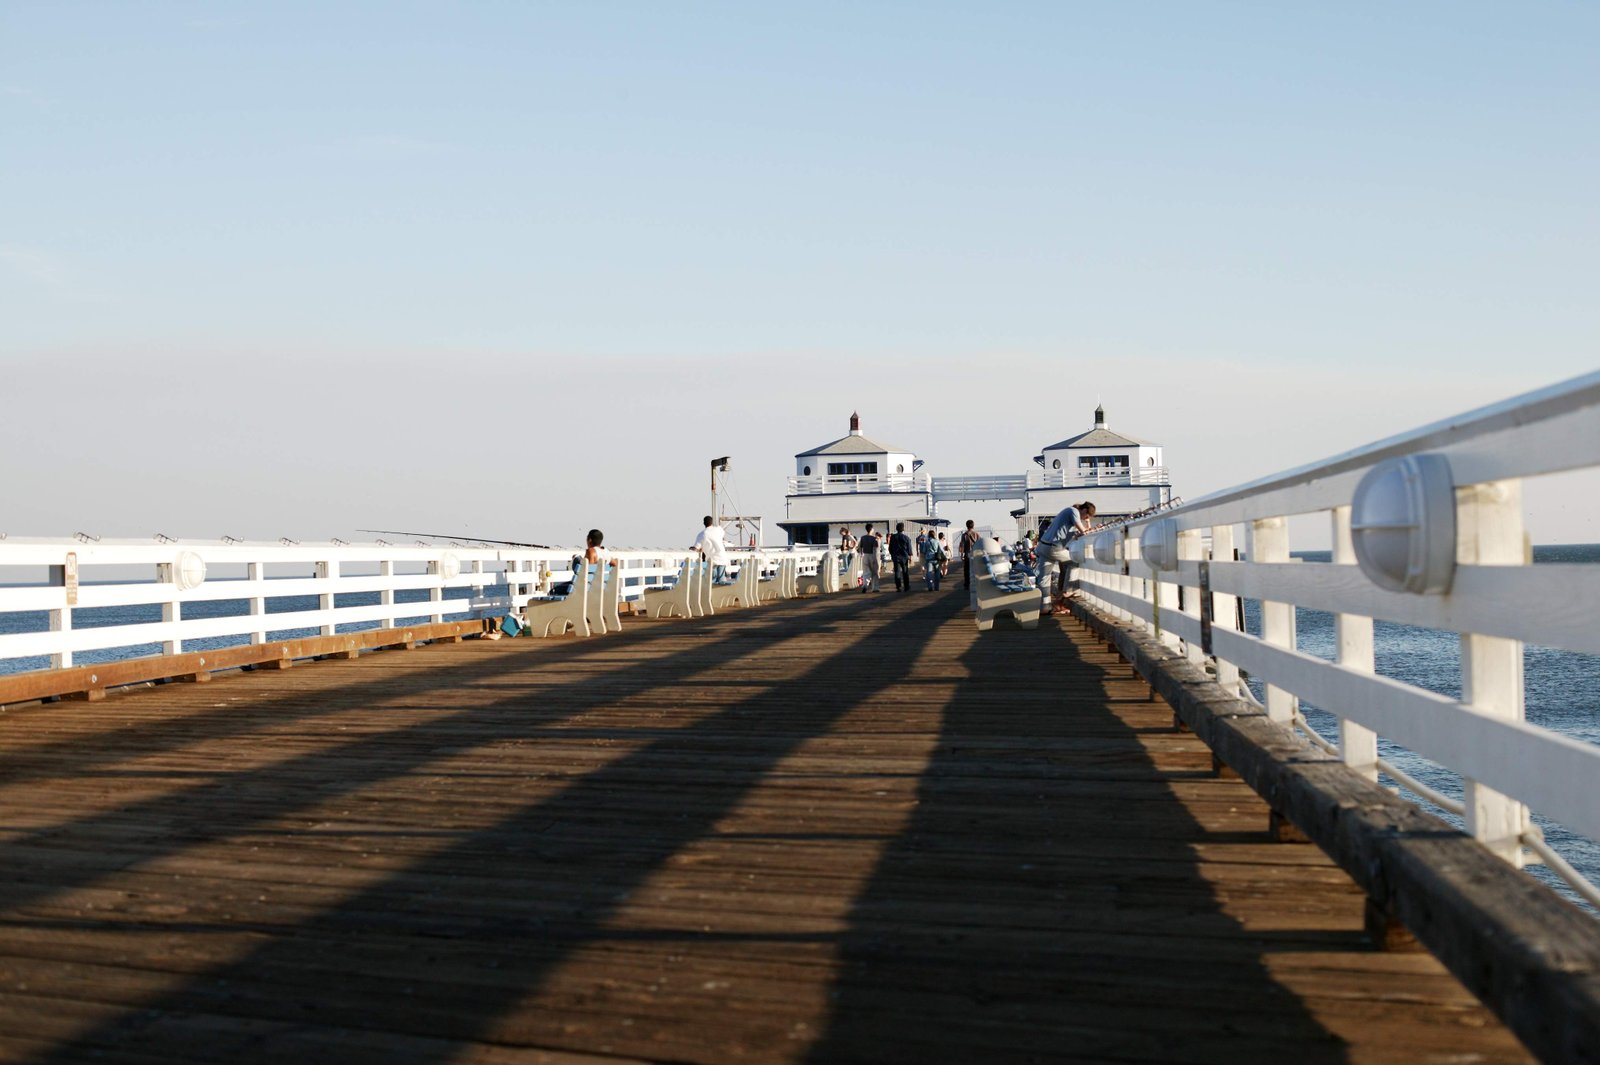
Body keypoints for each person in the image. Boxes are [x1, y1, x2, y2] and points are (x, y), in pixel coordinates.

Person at [1038, 502, 1096, 612]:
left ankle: (1044, 607)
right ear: (1084, 511)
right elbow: (1083, 531)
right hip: (1053, 548)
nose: (1084, 519)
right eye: (1086, 517)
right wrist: (1088, 523)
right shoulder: (1072, 511)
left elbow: (1079, 533)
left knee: (1044, 579)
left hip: (1044, 546)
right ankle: (1067, 590)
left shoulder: (1066, 517)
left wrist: (1087, 524)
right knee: (1073, 562)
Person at [691, 515, 728, 582]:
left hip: (712, 562)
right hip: (722, 559)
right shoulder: (719, 529)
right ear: (712, 522)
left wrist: (693, 548)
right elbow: (722, 533)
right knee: (721, 581)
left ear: (704, 523)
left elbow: (696, 548)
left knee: (711, 582)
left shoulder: (702, 534)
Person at [889, 522, 914, 593]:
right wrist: (910, 557)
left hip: (896, 557)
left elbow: (890, 548)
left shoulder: (893, 537)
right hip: (904, 557)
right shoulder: (906, 538)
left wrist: (892, 554)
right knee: (905, 572)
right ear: (903, 529)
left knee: (897, 572)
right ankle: (906, 586)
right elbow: (909, 549)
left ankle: (898, 587)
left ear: (896, 528)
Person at [857, 524, 881, 593]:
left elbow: (860, 547)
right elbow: (875, 548)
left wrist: (861, 554)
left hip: (865, 555)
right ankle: (875, 588)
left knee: (866, 573)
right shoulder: (874, 538)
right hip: (872, 556)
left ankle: (865, 585)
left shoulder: (863, 538)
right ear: (871, 529)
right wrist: (878, 540)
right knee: (874, 573)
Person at [960, 520, 981, 589]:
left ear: (966, 526)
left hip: (967, 554)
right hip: (975, 554)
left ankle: (967, 584)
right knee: (975, 569)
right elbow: (979, 544)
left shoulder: (964, 535)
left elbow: (962, 545)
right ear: (973, 525)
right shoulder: (977, 534)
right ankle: (975, 583)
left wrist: (961, 554)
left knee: (966, 570)